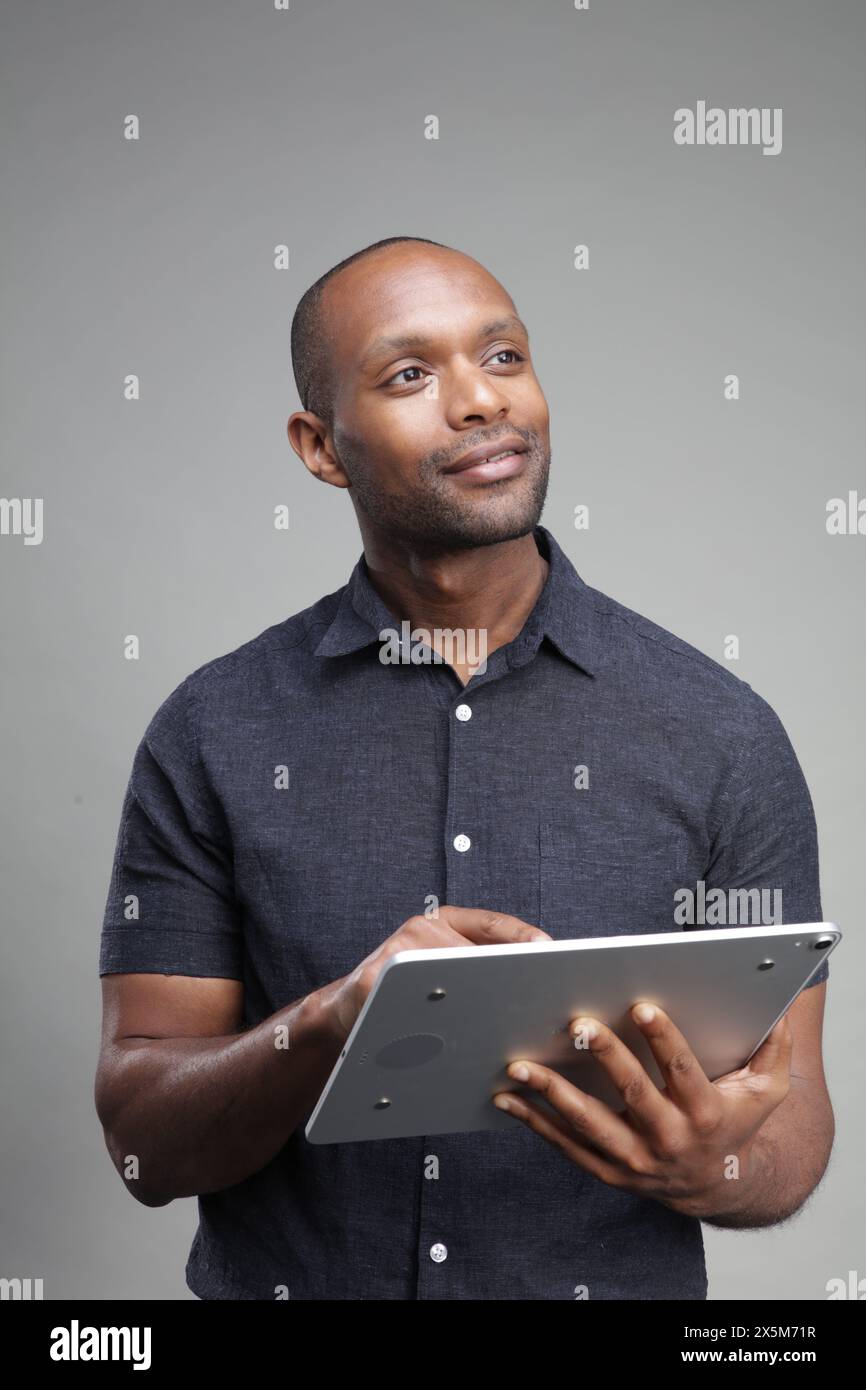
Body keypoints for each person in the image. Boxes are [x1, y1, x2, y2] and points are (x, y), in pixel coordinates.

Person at [95, 236, 832, 1301]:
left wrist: (718, 1162)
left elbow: (791, 1115)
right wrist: (334, 1019)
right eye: (408, 375)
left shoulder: (721, 732)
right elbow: (142, 1143)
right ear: (320, 447)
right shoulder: (211, 731)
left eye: (502, 357)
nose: (480, 402)